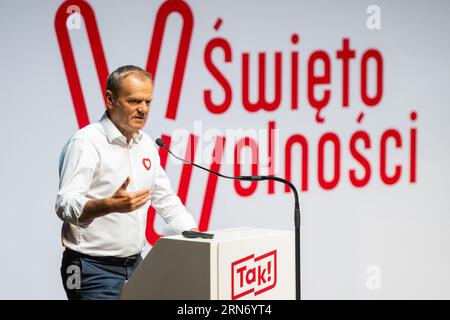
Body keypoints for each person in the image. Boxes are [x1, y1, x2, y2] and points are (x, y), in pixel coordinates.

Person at [55, 65, 198, 300]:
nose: (143, 109)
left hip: (136, 266)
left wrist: (194, 236)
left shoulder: (147, 144)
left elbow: (165, 198)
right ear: (110, 100)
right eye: (134, 101)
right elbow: (65, 205)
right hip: (88, 268)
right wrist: (109, 205)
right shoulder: (86, 142)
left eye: (148, 102)